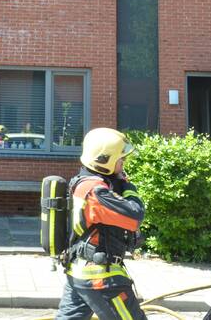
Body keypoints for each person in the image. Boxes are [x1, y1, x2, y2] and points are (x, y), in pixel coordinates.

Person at [56, 128, 147, 320]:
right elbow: (134, 216)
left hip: (79, 273)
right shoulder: (96, 192)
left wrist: (118, 184)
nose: (123, 164)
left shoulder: (84, 182)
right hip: (101, 278)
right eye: (120, 160)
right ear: (105, 161)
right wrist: (129, 189)